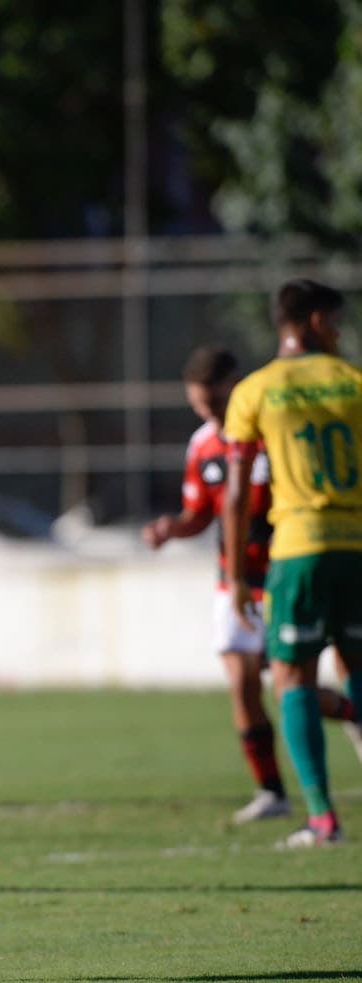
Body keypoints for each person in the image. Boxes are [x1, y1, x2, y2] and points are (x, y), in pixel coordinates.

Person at [143, 345, 362, 825]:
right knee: (243, 683)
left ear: (235, 388)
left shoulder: (273, 433)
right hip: (232, 579)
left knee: (296, 681)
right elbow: (200, 513)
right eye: (200, 408)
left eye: (215, 405)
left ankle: (349, 711)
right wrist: (171, 529)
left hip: (285, 569)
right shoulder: (203, 445)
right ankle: (271, 792)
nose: (210, 416)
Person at [223, 278, 362, 849]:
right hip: (356, 546)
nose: (337, 332)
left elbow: (237, 492)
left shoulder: (256, 390)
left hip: (299, 551)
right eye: (332, 322)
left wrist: (235, 575)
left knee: (292, 678)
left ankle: (323, 819)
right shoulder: (353, 381)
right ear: (308, 321)